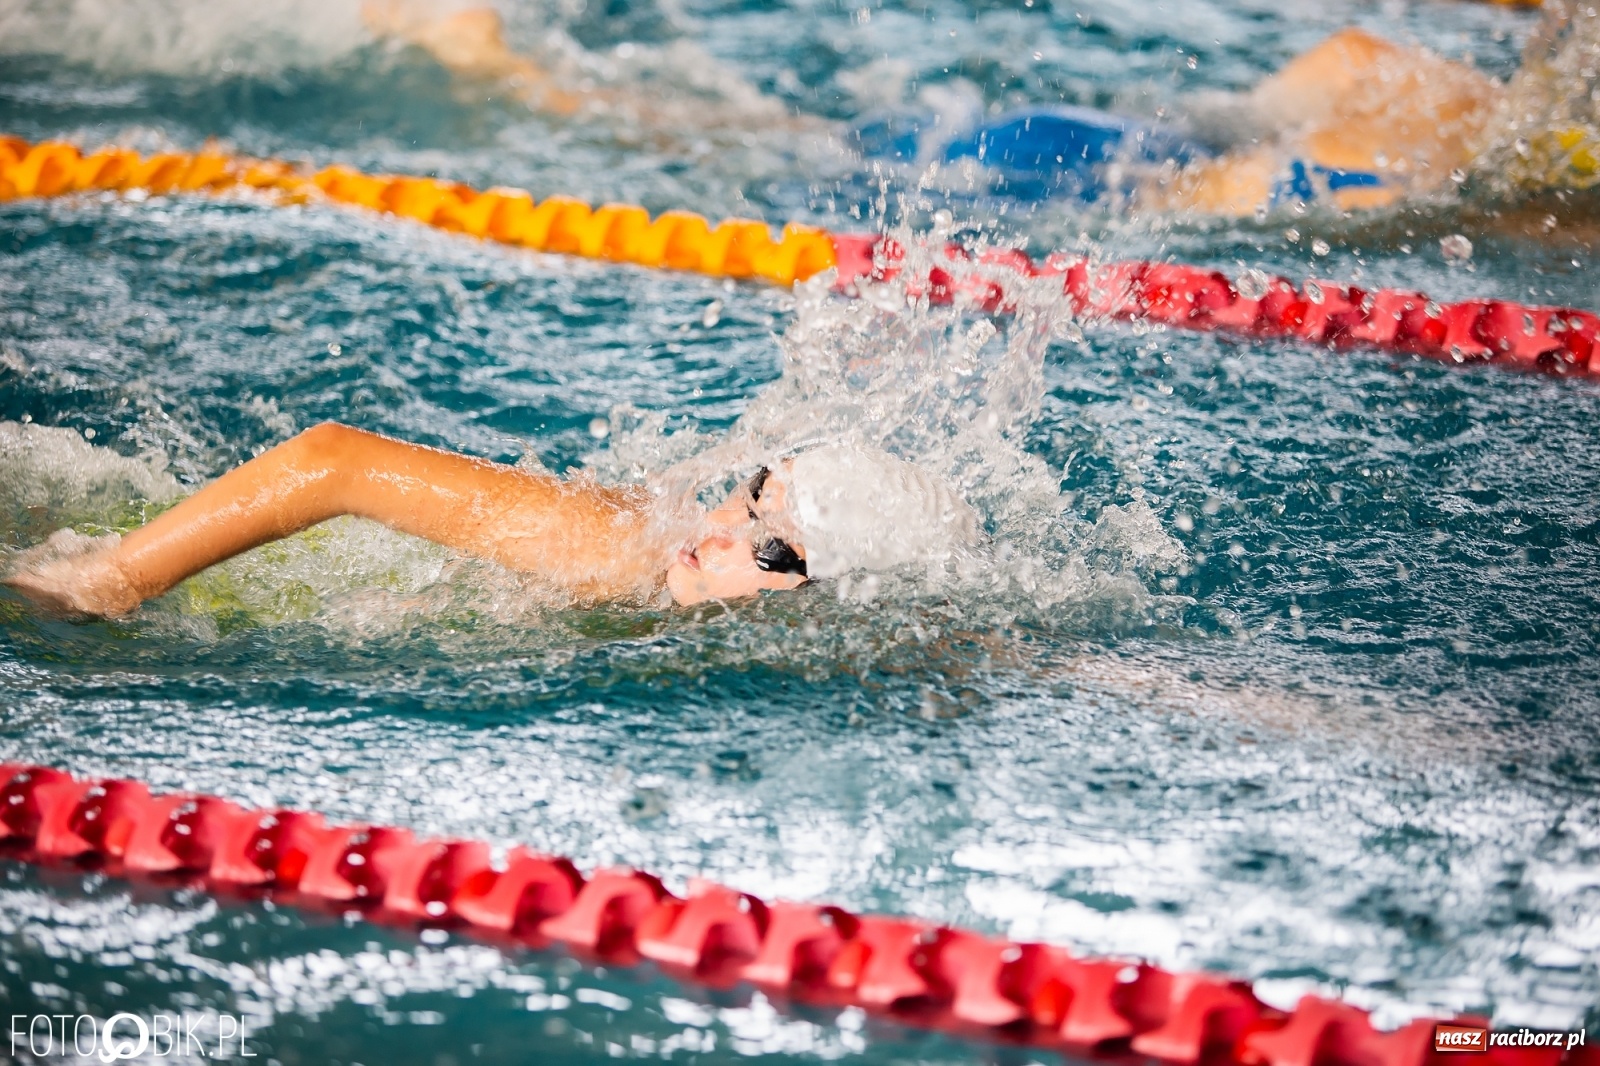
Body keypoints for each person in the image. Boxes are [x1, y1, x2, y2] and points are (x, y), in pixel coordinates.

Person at [2, 423, 981, 616]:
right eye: (749, 487)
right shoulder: (613, 554)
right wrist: (116, 577)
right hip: (152, 534)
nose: (720, 526)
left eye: (770, 544)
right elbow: (331, 461)